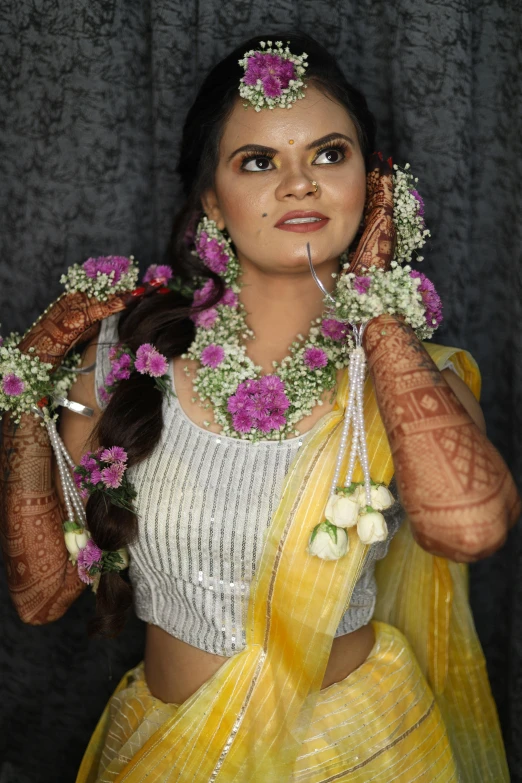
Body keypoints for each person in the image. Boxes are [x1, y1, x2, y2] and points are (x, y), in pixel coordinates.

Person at [1, 32, 520, 782]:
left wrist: (374, 304)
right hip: (169, 757)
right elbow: (42, 595)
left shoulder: (413, 379)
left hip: (359, 753)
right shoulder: (122, 360)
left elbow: (472, 526)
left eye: (329, 155)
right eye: (258, 161)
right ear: (212, 198)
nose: (300, 184)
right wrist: (30, 380)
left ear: (372, 187)